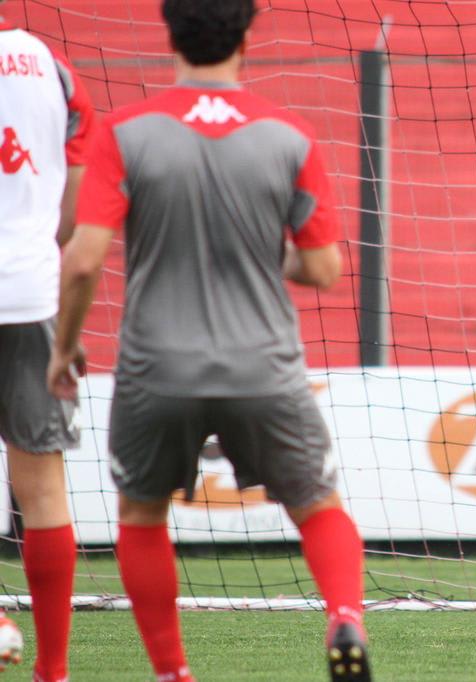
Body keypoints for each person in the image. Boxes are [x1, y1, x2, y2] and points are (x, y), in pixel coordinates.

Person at [46, 1, 370, 680]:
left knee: (141, 512)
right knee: (316, 504)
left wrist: (63, 346)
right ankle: (344, 615)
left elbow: (81, 259)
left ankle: (173, 672)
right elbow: (324, 268)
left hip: (156, 367)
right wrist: (256, 247)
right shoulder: (290, 135)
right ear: (250, 34)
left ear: (169, 33)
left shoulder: (126, 132)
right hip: (264, 367)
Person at [0, 2, 94, 678]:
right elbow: (75, 204)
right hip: (32, 293)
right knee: (43, 490)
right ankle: (53, 671)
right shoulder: (51, 69)